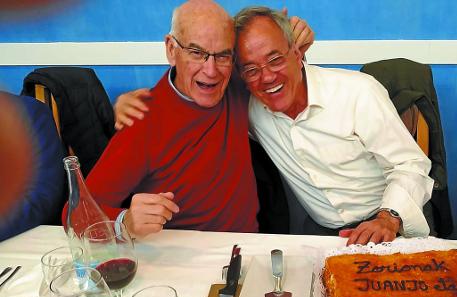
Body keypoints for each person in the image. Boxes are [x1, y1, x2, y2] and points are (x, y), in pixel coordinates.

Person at [73, 0, 313, 238]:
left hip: (248, 245)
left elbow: (273, 62)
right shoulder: (140, 119)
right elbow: (75, 215)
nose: (211, 70)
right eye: (197, 53)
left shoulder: (237, 82)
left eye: (222, 55)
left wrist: (293, 37)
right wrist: (124, 224)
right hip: (182, 259)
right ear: (171, 50)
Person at [233, 7, 434, 245]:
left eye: (275, 59)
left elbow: (410, 164)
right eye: (252, 69)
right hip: (321, 234)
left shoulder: (357, 92)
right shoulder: (250, 110)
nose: (266, 77)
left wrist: (388, 218)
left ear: (298, 55)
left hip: (389, 223)